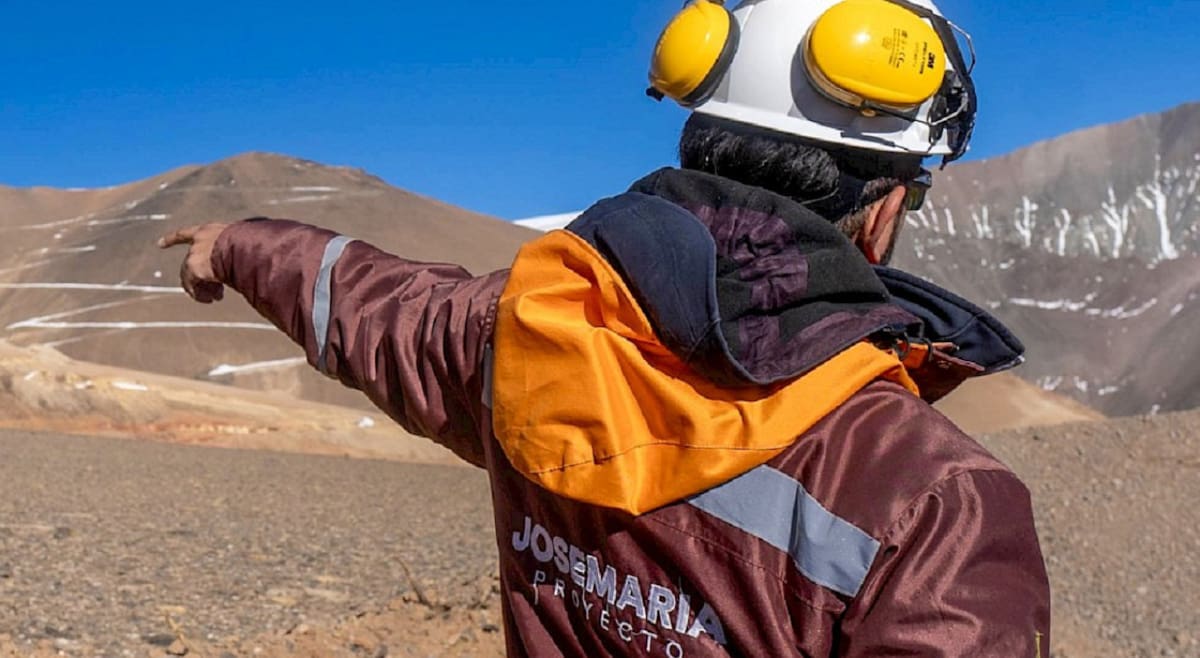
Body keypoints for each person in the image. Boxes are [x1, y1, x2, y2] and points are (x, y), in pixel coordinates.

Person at [160, 0, 1051, 655]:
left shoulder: (529, 331)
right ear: (887, 202)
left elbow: (379, 310)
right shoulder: (936, 501)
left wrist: (239, 245)